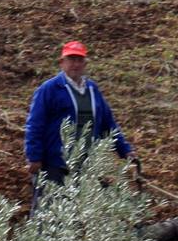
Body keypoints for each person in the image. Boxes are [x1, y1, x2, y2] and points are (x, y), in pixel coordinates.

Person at [25, 40, 136, 209]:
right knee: (47, 212)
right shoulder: (49, 89)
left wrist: (125, 150)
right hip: (56, 162)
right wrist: (34, 156)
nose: (75, 64)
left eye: (79, 60)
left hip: (88, 162)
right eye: (71, 59)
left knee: (85, 212)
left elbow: (108, 124)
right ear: (62, 62)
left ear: (85, 64)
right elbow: (35, 124)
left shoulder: (92, 89)